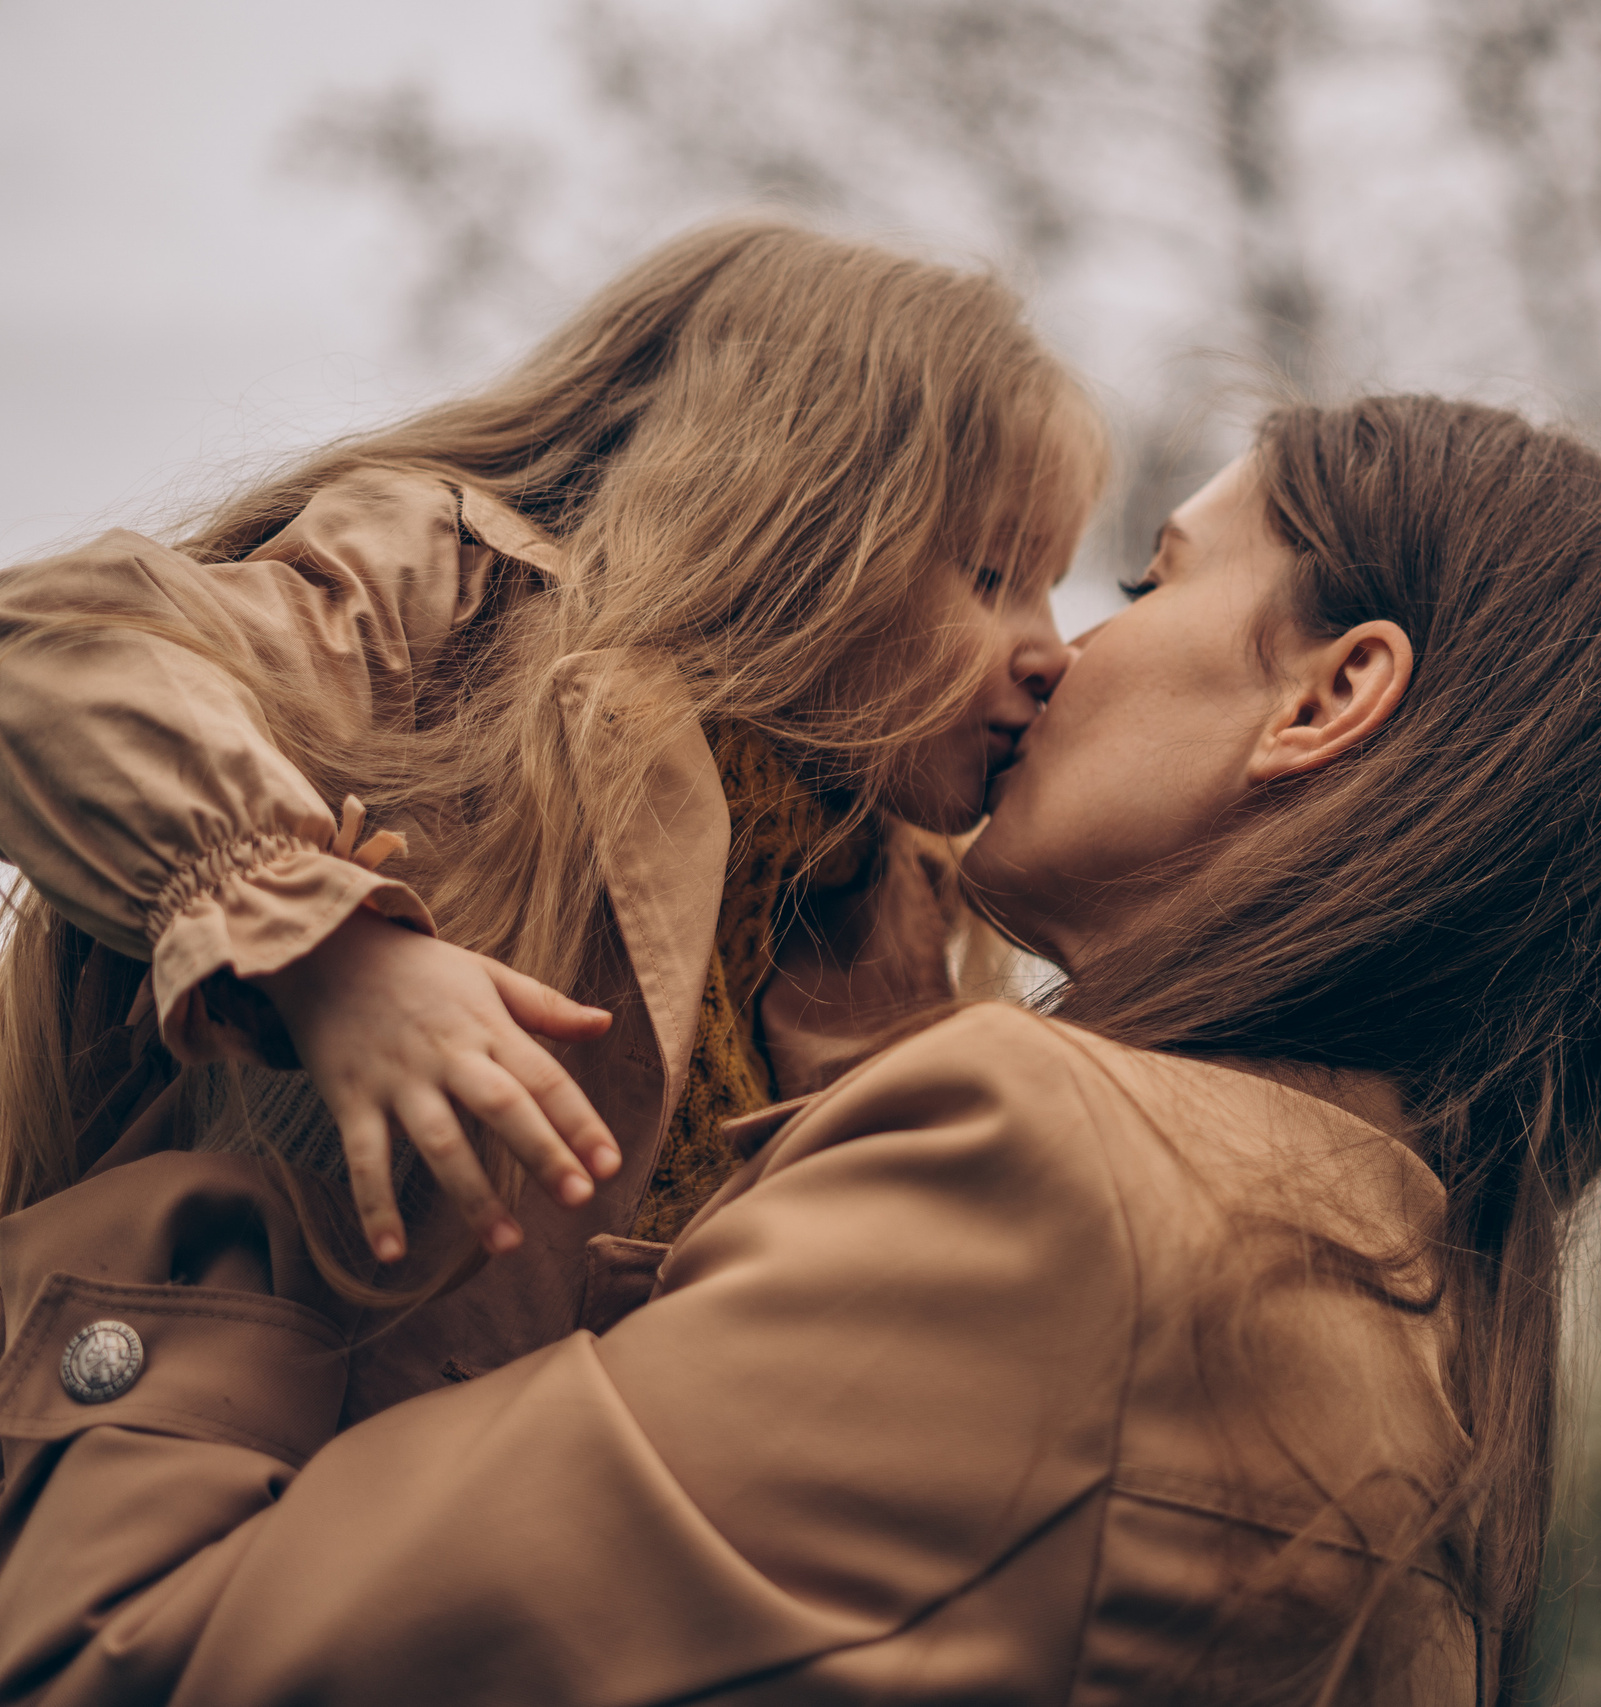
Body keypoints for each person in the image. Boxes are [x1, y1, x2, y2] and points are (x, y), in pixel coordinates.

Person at [0, 396, 1601, 1703]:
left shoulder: (1067, 1184)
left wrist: (222, 1190)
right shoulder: (1395, 1309)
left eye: (1153, 577)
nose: (1062, 651)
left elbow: (160, 1654)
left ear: (1325, 700)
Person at [0, 217, 1097, 1416]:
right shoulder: (466, 605)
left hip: (498, 1515)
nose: (1053, 648)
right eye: (992, 576)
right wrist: (326, 948)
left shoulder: (885, 898)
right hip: (192, 1435)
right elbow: (57, 654)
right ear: (807, 520)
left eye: (1053, 583)